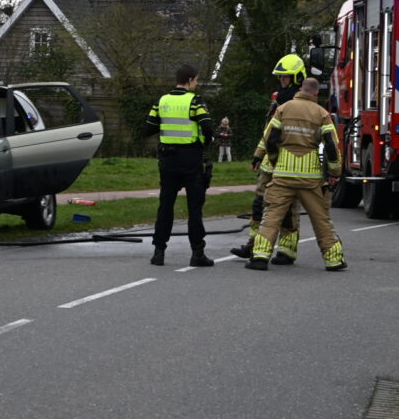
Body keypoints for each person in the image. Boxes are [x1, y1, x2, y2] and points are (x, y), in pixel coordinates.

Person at [245, 77, 345, 271]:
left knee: (271, 216)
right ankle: (334, 259)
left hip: (283, 175)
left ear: (301, 89)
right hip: (311, 178)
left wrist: (267, 158)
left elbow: (270, 138)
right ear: (315, 93)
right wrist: (334, 172)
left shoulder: (284, 109)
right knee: (321, 219)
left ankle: (260, 256)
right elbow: (332, 146)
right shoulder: (322, 114)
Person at [230, 54, 305, 263]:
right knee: (259, 204)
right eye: (280, 77)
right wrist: (258, 155)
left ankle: (286, 250)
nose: (282, 81)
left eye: (286, 77)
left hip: (290, 164)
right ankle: (253, 245)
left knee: (288, 208)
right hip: (269, 163)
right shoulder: (277, 101)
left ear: (297, 78)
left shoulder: (301, 105)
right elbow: (267, 132)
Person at [145, 64, 215, 267]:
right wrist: (205, 142)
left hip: (167, 160)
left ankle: (158, 252)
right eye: (197, 80)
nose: (197, 83)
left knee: (165, 205)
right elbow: (208, 126)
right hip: (190, 160)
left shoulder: (162, 101)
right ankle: (197, 253)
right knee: (195, 208)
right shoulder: (195, 102)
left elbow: (148, 128)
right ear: (191, 80)